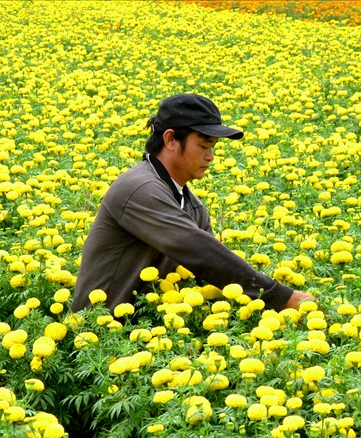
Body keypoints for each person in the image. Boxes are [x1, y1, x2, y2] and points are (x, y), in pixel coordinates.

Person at [71, 93, 313, 314]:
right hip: (102, 334)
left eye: (213, 148)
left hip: (156, 327)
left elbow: (210, 271)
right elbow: (201, 253)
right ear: (170, 139)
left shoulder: (192, 205)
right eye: (204, 146)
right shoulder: (140, 189)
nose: (210, 157)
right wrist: (280, 297)